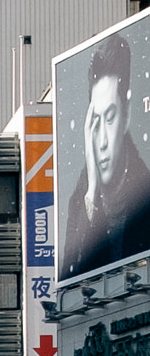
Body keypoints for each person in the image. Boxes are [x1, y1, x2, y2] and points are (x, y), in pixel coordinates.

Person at [61, 28, 150, 283]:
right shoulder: (80, 201)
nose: (101, 141)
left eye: (109, 118)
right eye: (95, 122)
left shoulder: (145, 193)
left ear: (126, 114)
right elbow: (71, 288)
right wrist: (91, 191)